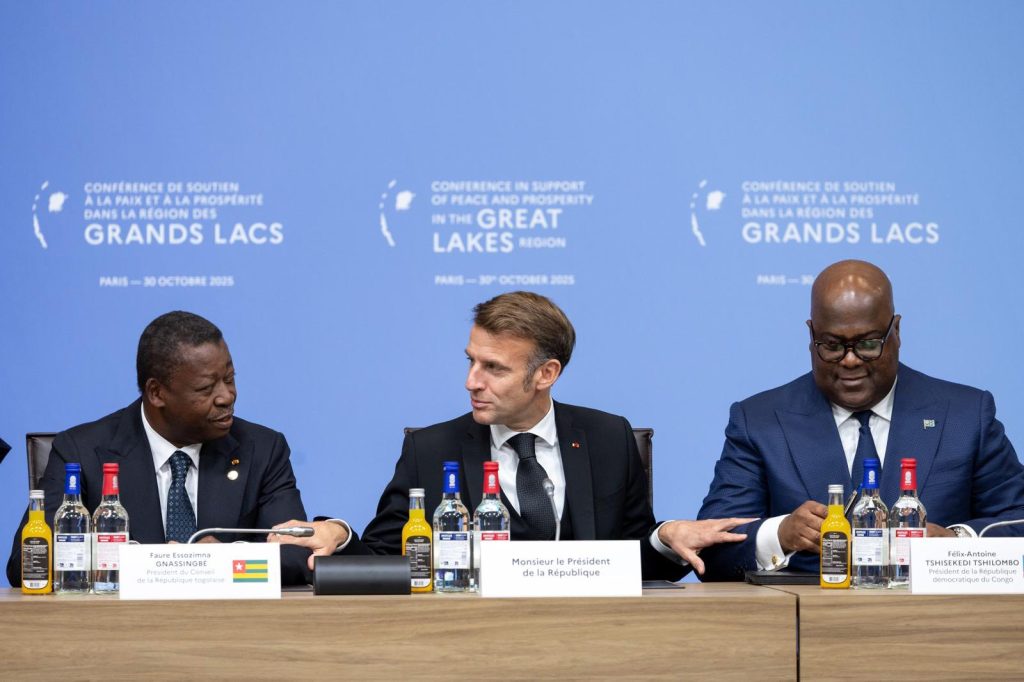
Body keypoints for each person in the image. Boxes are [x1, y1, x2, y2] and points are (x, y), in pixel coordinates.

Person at [289, 291, 751, 579]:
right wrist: (340, 534)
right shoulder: (430, 449)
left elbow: (632, 560)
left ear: (546, 373)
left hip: (592, 638)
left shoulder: (608, 437)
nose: (471, 381)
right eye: (471, 361)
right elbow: (384, 557)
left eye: (493, 368)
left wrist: (665, 537)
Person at [696, 259, 1024, 580]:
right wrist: (780, 535)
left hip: (935, 613)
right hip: (808, 613)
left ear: (896, 331)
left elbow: (1017, 519)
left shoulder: (965, 415)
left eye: (868, 344)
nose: (850, 360)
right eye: (832, 345)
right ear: (811, 335)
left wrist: (957, 542)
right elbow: (710, 546)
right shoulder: (759, 422)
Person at [5, 311, 347, 586]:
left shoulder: (263, 448)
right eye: (206, 388)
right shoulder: (82, 451)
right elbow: (29, 561)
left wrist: (225, 561)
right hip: (117, 632)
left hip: (232, 632)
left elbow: (295, 555)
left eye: (229, 378)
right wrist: (159, 563)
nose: (227, 396)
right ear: (157, 393)